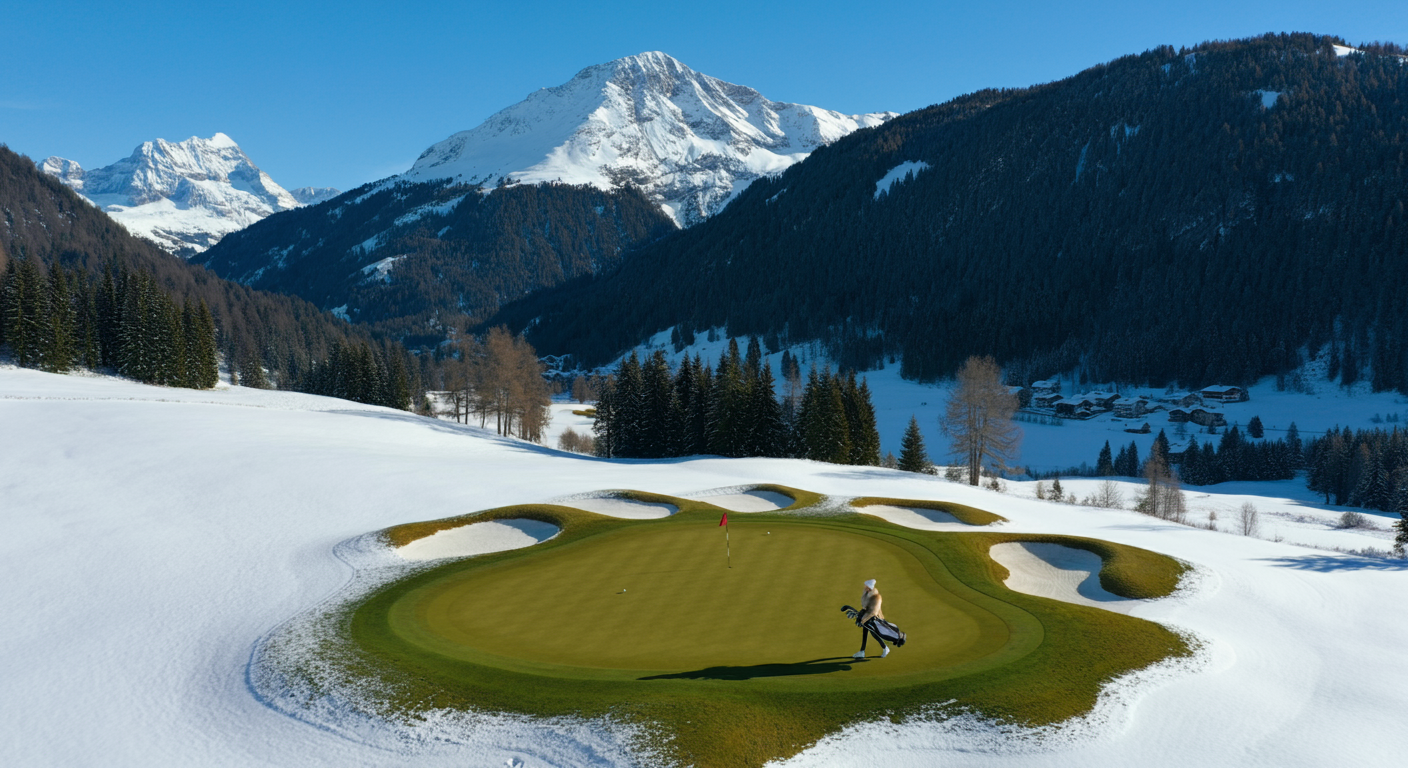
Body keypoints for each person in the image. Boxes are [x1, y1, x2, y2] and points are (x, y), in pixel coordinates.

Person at [853, 578, 889, 659]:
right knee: (865, 633)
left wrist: (863, 618)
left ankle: (885, 648)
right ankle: (862, 651)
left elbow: (873, 610)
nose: (864, 586)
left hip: (872, 616)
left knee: (873, 633)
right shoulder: (867, 593)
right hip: (867, 615)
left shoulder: (874, 596)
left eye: (866, 585)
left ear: (869, 587)